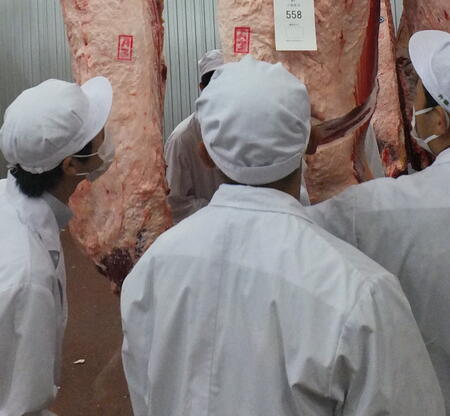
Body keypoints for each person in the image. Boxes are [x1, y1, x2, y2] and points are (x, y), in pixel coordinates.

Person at [121, 56, 444, 416]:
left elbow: (145, 394)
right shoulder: (360, 291)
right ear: (311, 145)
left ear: (205, 155)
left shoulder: (150, 271)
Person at [308, 29, 450, 411]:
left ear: (439, 121)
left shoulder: (379, 209)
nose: (412, 103)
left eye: (418, 95)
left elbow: (290, 232)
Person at [0, 76, 113, 416]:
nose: (107, 135)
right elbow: (21, 407)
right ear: (70, 165)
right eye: (98, 131)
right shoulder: (29, 277)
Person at [164, 49, 224, 223]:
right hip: (203, 230)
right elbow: (174, 203)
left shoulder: (243, 129)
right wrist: (220, 212)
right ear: (202, 88)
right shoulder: (182, 138)